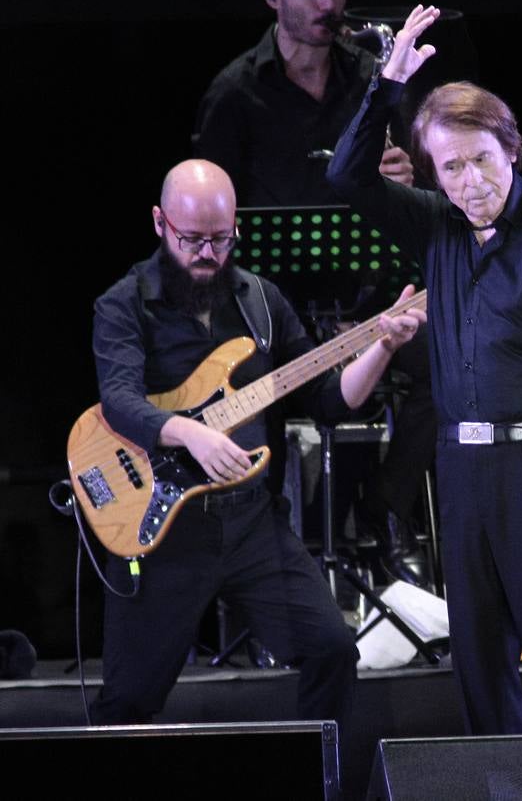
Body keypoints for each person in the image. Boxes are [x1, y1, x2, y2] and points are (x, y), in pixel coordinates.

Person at [327, 5, 522, 734]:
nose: (469, 182)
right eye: (451, 167)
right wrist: (387, 83)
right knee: (477, 655)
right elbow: (347, 177)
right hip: (462, 471)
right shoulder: (435, 224)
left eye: (482, 161)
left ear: (512, 151)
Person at [88, 159, 425, 740]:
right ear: (159, 224)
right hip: (165, 531)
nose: (207, 254)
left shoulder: (261, 302)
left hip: (252, 524)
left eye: (221, 239)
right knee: (128, 699)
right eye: (192, 239)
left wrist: (380, 346)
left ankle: (324, 782)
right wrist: (189, 431)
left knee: (332, 648)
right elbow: (117, 401)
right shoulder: (123, 305)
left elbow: (326, 400)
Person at [193, 0, 434, 582]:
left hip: (366, 301)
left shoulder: (373, 78)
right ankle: (265, 572)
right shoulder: (235, 93)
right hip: (271, 318)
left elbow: (412, 193)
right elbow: (212, 218)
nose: (329, 5)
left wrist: (402, 184)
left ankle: (385, 512)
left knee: (449, 357)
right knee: (235, 402)